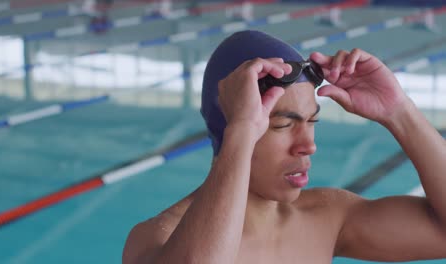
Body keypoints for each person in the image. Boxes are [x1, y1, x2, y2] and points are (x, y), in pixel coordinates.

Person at [122, 30, 446, 263]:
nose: (308, 146)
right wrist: (241, 131)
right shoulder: (159, 238)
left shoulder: (326, 218)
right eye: (283, 124)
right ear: (232, 128)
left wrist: (400, 112)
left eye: (312, 122)